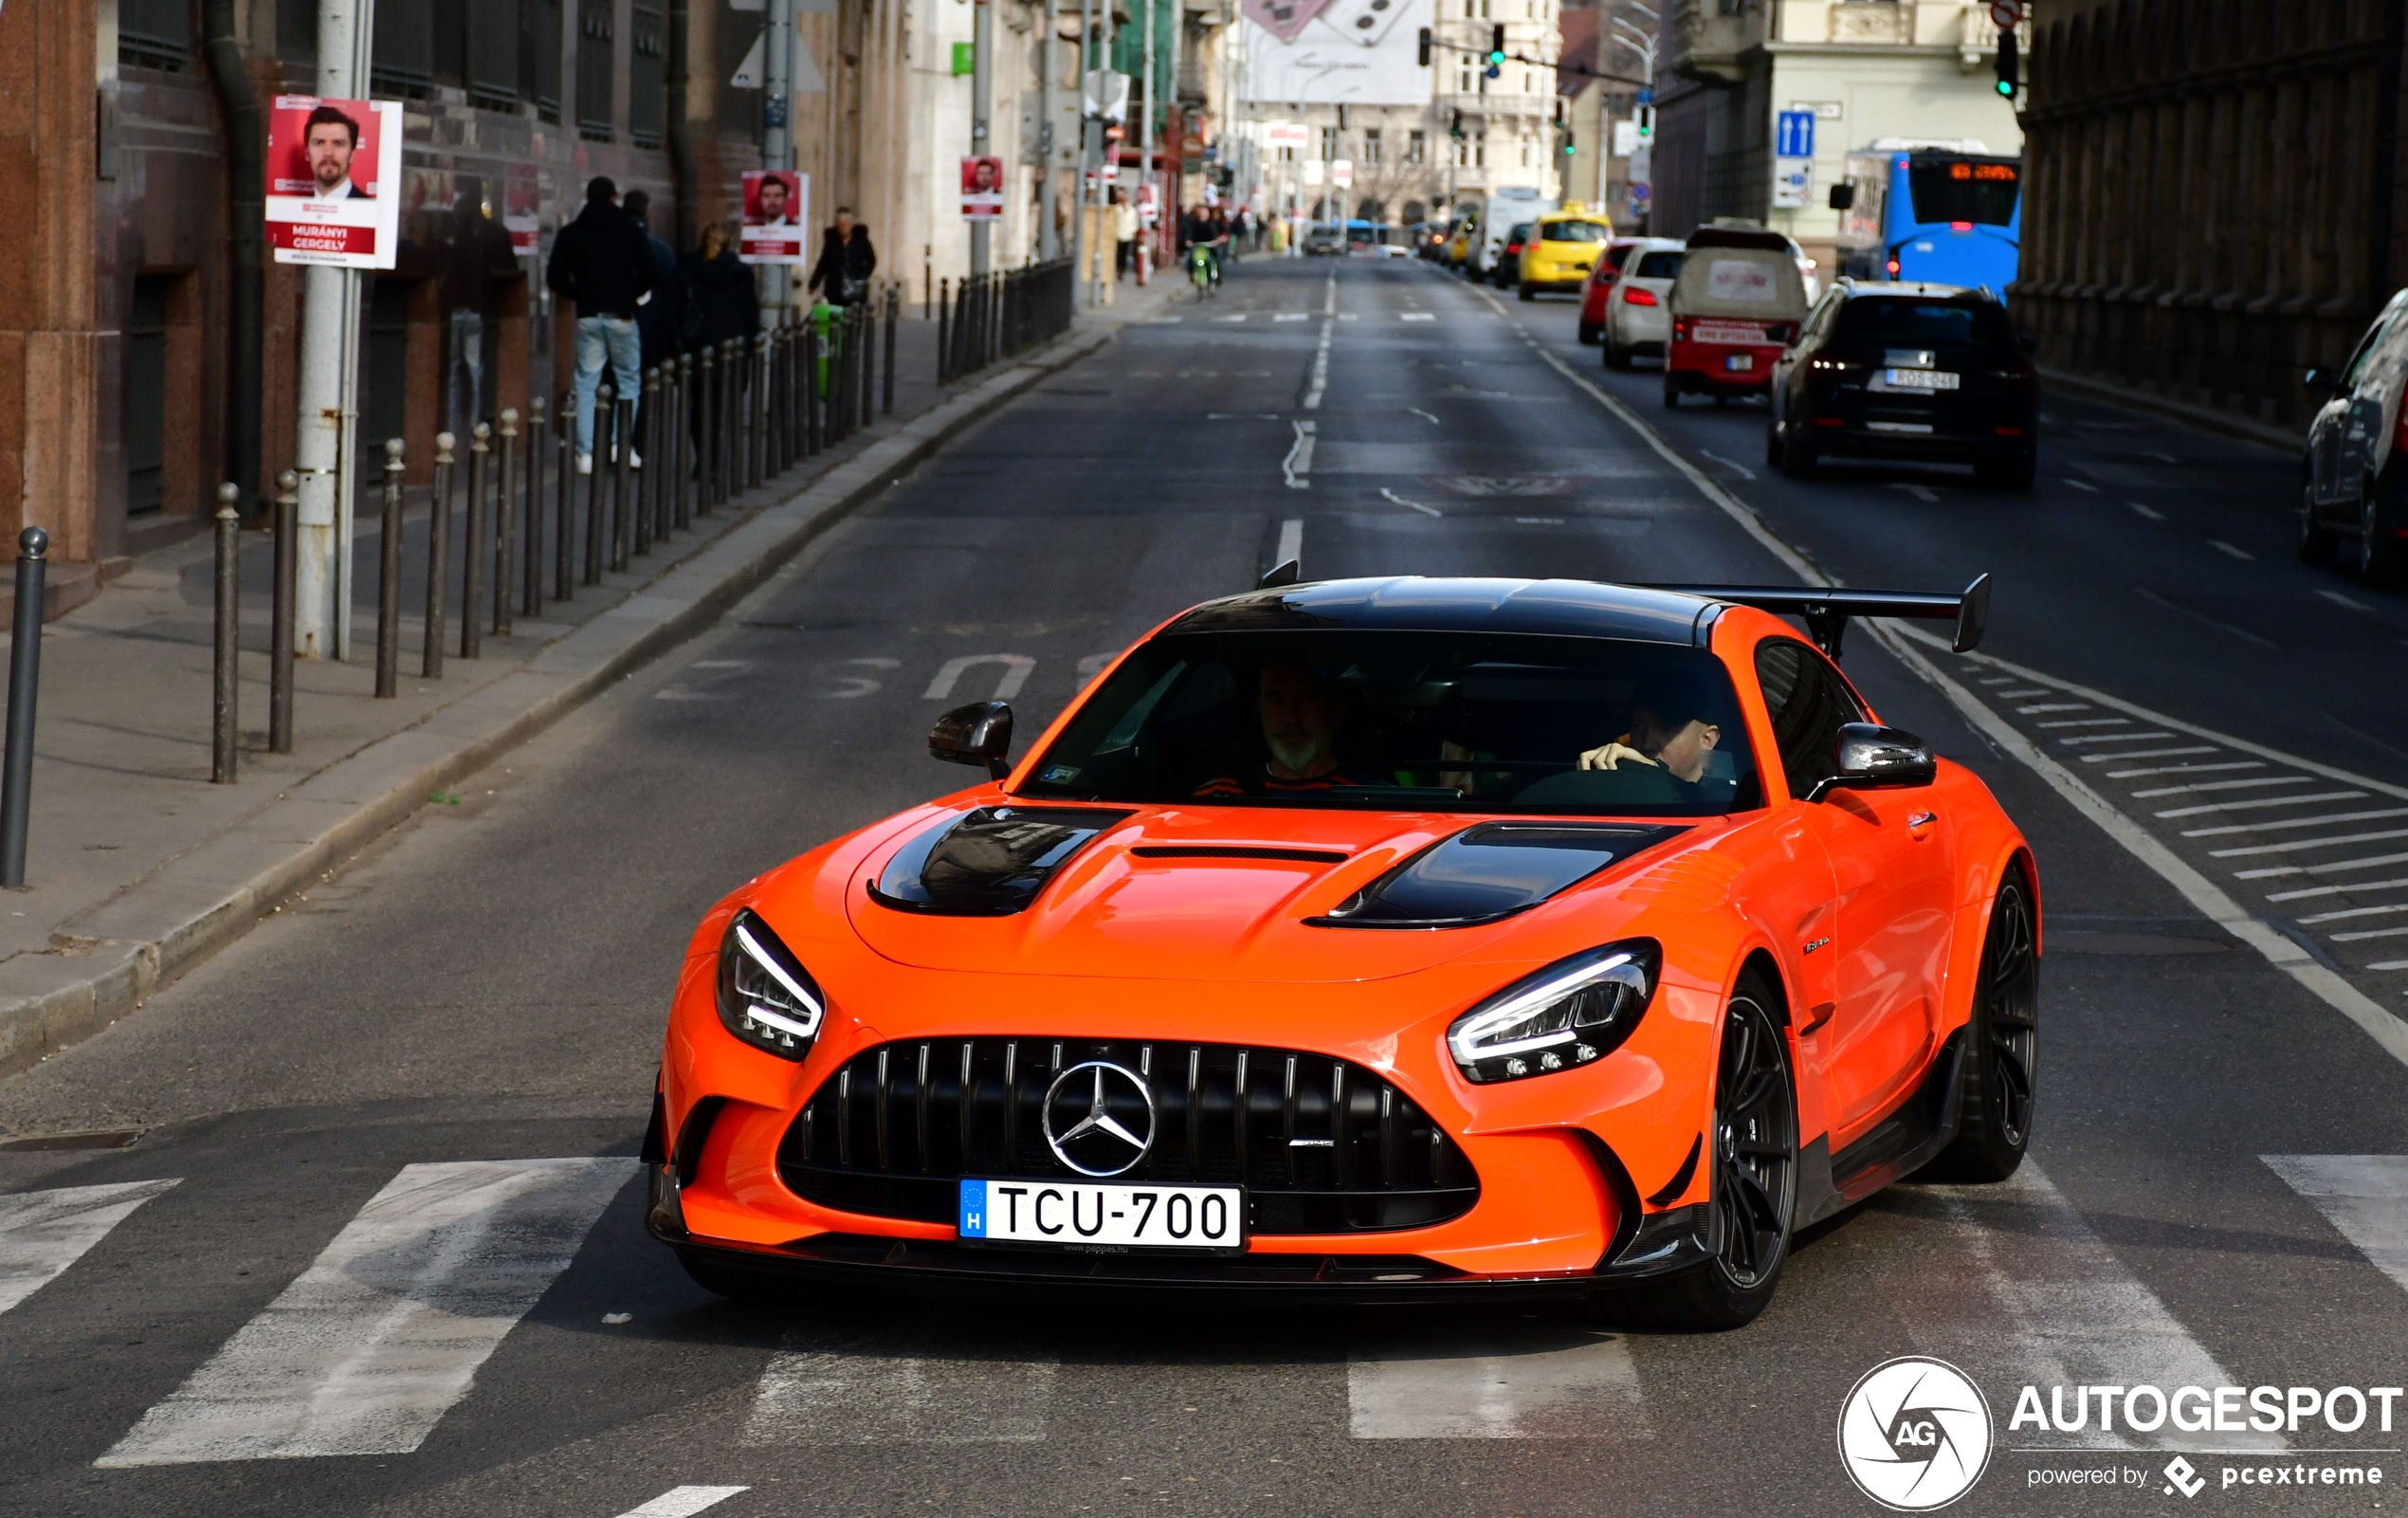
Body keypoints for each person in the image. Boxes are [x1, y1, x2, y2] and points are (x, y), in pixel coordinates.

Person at [546, 175, 656, 474]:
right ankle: (622, 446)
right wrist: (630, 295)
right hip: (620, 316)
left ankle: (586, 454)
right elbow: (651, 270)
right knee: (628, 381)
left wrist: (580, 294)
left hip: (588, 316)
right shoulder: (628, 230)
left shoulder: (571, 233)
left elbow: (554, 278)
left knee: (586, 384)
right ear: (613, 198)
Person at [1194, 666, 1378, 796]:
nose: (1290, 717)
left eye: (1307, 698)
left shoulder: (1373, 798)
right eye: (1276, 700)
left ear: (1337, 711)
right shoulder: (1216, 797)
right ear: (1261, 709)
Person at [1577, 686, 1735, 807]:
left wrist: (1658, 777)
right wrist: (1596, 780)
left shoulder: (1731, 801)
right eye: (1638, 727)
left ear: (1707, 739)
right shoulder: (1619, 781)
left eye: (1666, 730)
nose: (1647, 744)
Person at [624, 190, 685, 371]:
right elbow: (674, 295)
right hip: (652, 332)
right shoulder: (662, 250)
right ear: (647, 214)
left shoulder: (609, 246)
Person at [807, 207, 877, 307]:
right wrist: (813, 284)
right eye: (840, 225)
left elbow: (872, 260)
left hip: (855, 288)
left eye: (845, 225)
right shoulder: (832, 242)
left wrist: (862, 276)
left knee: (853, 317)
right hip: (835, 288)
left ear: (851, 225)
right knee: (835, 316)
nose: (843, 228)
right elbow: (823, 263)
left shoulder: (861, 240)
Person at [301, 104, 371, 200]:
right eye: (319, 143)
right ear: (307, 153)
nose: (328, 153)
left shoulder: (371, 211)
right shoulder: (292, 211)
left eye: (338, 144)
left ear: (352, 154)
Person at [1112, 189, 1137, 279]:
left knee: (1125, 253)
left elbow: (1134, 222)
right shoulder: (1116, 208)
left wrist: (1133, 231)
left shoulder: (1132, 210)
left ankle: (1122, 270)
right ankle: (1118, 269)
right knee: (1118, 254)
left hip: (1128, 234)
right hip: (1118, 234)